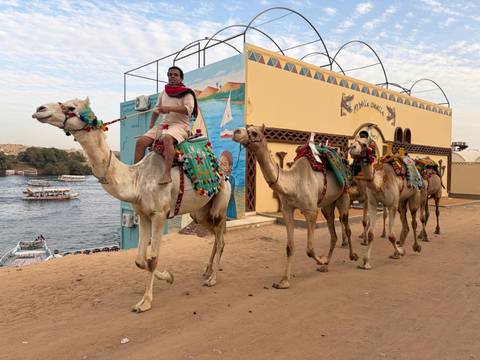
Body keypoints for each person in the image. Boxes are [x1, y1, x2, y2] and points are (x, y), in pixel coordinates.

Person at [134, 66, 198, 184]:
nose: (172, 76)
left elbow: (188, 109)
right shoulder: (163, 92)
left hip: (180, 125)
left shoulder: (187, 93)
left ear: (181, 78)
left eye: (175, 75)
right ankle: (136, 174)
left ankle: (167, 175)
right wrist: (151, 126)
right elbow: (156, 111)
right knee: (141, 142)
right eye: (170, 74)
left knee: (167, 138)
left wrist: (168, 108)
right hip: (164, 124)